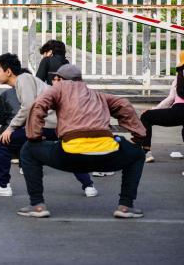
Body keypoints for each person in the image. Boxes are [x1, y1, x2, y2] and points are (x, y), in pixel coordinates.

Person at [18, 64, 147, 219]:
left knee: (28, 150)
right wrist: (138, 136)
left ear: (59, 79)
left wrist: (35, 136)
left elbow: (38, 105)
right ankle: (125, 206)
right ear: (81, 80)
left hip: (71, 155)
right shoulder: (98, 95)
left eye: (55, 78)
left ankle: (37, 206)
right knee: (137, 154)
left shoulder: (58, 88)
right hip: (107, 155)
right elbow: (124, 104)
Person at [0, 53, 97, 198]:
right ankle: (89, 185)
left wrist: (10, 128)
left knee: (4, 143)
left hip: (47, 125)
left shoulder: (23, 79)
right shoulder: (25, 81)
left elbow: (28, 107)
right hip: (56, 125)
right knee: (67, 152)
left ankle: (3, 186)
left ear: (8, 71)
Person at [140, 51, 184, 164]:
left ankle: (146, 152)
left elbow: (170, 99)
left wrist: (153, 110)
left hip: (178, 111)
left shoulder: (179, 77)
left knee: (146, 117)